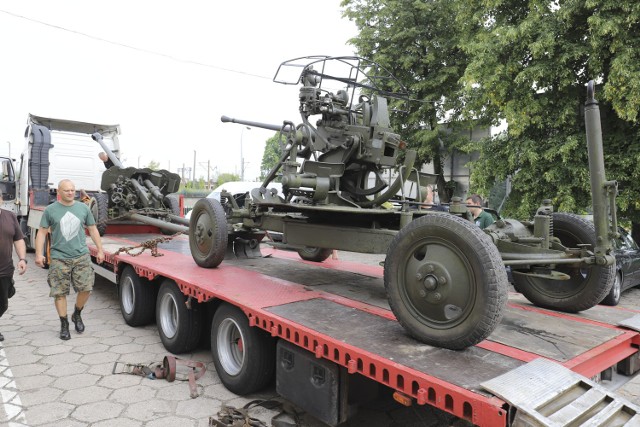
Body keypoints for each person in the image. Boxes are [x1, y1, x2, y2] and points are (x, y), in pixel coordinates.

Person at [35, 179, 105, 340]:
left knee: (86, 288)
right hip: (59, 257)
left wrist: (100, 250)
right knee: (59, 293)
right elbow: (42, 232)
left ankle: (77, 313)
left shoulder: (82, 208)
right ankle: (64, 323)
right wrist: (39, 254)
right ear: (59, 192)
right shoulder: (50, 210)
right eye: (67, 190)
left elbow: (93, 229)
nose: (71, 192)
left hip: (81, 255)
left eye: (73, 190)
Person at [0, 193, 27, 341]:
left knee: (3, 304)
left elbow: (18, 239)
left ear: (1, 199)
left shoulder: (10, 216)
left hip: (5, 270)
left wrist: (22, 259)